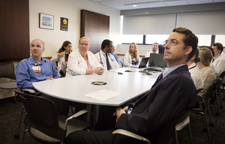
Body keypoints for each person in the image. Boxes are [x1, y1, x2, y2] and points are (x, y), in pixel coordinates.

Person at [65, 27, 197, 144]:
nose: (166, 46)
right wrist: (130, 107)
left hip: (134, 136)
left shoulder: (178, 81)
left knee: (72, 137)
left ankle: (108, 136)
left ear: (187, 50)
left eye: (174, 42)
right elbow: (154, 105)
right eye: (166, 42)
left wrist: (123, 115)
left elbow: (149, 122)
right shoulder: (175, 75)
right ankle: (102, 133)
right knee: (106, 108)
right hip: (137, 118)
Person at [16, 38, 69, 115]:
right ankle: (52, 125)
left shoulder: (48, 63)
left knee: (70, 99)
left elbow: (57, 77)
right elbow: (22, 84)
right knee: (62, 105)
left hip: (51, 91)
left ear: (43, 49)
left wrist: (54, 80)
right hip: (35, 94)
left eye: (38, 46)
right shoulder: (24, 64)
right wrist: (43, 83)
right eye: (32, 46)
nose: (35, 48)